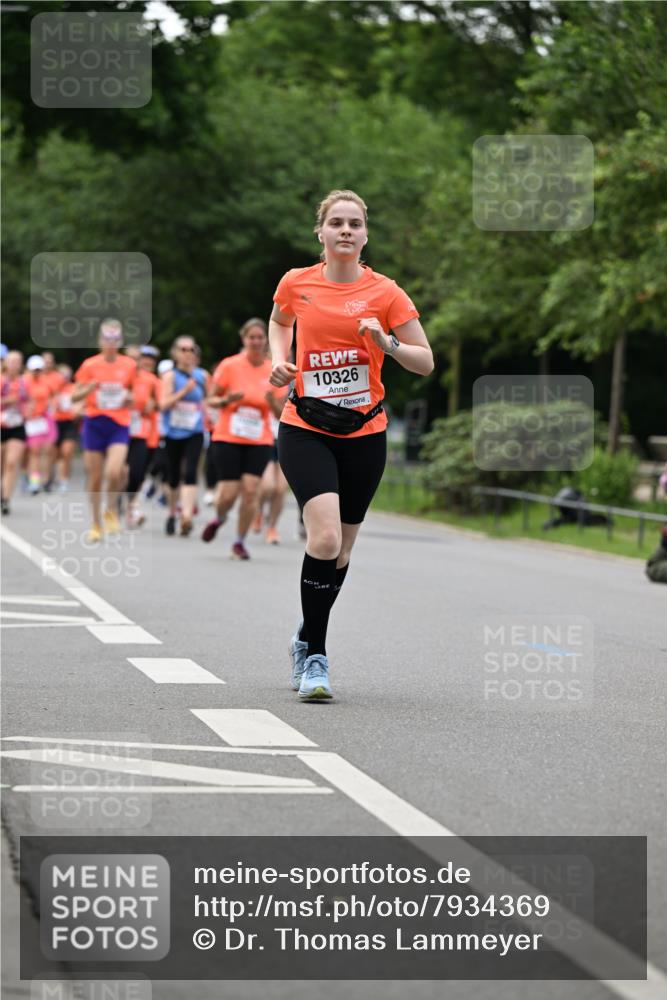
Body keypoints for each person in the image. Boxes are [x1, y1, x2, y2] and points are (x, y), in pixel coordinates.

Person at [268, 189, 433, 700]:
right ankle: (315, 654)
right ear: (320, 232)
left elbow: (424, 361)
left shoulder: (386, 293)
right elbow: (280, 321)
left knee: (342, 553)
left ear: (365, 235)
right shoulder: (297, 283)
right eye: (336, 222)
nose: (345, 230)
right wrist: (280, 360)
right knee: (324, 542)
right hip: (305, 426)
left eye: (354, 224)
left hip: (365, 432)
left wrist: (385, 343)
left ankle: (304, 633)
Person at [201, 318, 278, 560]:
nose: (256, 341)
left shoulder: (273, 369)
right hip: (228, 437)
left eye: (260, 337)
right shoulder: (229, 366)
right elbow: (210, 400)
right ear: (244, 339)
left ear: (266, 340)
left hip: (258, 439)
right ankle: (220, 517)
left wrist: (272, 401)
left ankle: (239, 541)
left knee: (251, 491)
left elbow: (279, 412)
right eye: (251, 337)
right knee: (228, 493)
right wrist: (226, 401)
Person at [72, 319, 137, 542]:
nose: (111, 343)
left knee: (114, 471)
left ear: (120, 341)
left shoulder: (129, 365)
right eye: (107, 339)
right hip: (94, 423)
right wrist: (88, 388)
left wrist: (130, 398)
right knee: (96, 477)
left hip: (118, 423)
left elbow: (135, 394)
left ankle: (111, 511)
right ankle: (95, 524)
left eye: (115, 339)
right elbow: (74, 396)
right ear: (100, 341)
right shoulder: (90, 365)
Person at [160, 336, 209, 536]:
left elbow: (210, 398)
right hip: (173, 432)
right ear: (175, 353)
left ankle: (186, 515)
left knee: (190, 472)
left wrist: (224, 400)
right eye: (183, 349)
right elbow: (163, 405)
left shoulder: (203, 375)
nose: (188, 353)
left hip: (195, 431)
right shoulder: (170, 377)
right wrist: (184, 392)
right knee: (173, 476)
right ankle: (172, 512)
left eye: (191, 349)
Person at [125, 345, 161, 528]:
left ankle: (131, 505)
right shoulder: (121, 376)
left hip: (141, 432)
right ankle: (121, 504)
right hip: (120, 428)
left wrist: (153, 404)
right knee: (119, 471)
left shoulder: (151, 379)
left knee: (137, 473)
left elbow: (160, 401)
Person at [24, 354, 58, 494]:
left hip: (45, 419)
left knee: (48, 451)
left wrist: (53, 407)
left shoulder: (46, 382)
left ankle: (46, 480)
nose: (36, 372)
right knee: (34, 452)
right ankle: (34, 482)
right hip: (31, 420)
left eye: (39, 369)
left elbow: (54, 396)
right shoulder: (24, 382)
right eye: (34, 370)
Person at [1, 350, 29, 514]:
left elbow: (32, 401)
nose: (13, 365)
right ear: (6, 363)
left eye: (17, 361)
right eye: (11, 361)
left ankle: (6, 499)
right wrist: (7, 401)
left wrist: (29, 410)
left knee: (11, 463)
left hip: (17, 426)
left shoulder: (25, 383)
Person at [49, 363, 78, 492]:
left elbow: (80, 403)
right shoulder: (52, 388)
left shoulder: (74, 388)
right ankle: (51, 477)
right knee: (54, 454)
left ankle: (64, 480)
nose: (64, 378)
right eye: (62, 375)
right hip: (54, 423)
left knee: (67, 452)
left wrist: (77, 409)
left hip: (69, 423)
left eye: (67, 375)